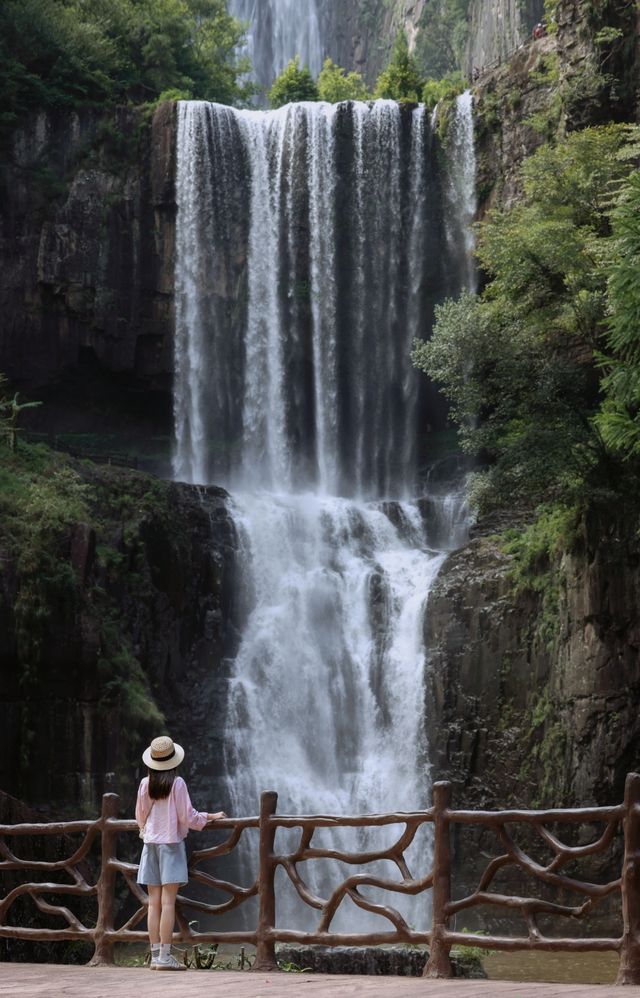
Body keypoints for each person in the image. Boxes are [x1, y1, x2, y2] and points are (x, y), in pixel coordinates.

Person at [136, 735, 226, 971]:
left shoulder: (145, 784)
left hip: (150, 845)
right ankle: (165, 958)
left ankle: (156, 956)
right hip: (171, 846)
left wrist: (147, 830)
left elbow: (140, 816)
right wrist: (209, 816)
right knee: (168, 903)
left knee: (153, 903)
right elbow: (188, 817)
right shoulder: (177, 784)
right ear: (173, 761)